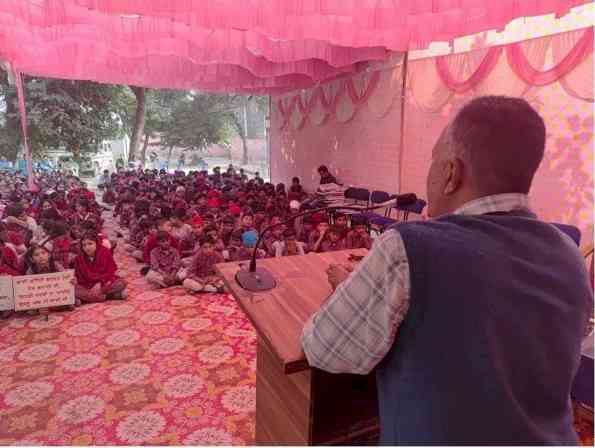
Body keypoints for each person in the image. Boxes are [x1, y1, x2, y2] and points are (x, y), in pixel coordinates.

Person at [301, 96, 592, 444]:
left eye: (433, 160)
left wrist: (348, 289)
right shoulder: (570, 258)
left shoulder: (409, 247)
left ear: (451, 173)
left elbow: (322, 348)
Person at [74, 232, 127, 303]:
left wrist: (100, 283)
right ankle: (110, 296)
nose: (87, 247)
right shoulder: (79, 258)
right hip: (87, 285)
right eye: (84, 245)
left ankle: (85, 299)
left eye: (90, 244)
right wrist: (74, 279)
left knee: (121, 283)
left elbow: (110, 272)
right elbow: (79, 277)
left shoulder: (105, 252)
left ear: (96, 243)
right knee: (73, 289)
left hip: (103, 284)